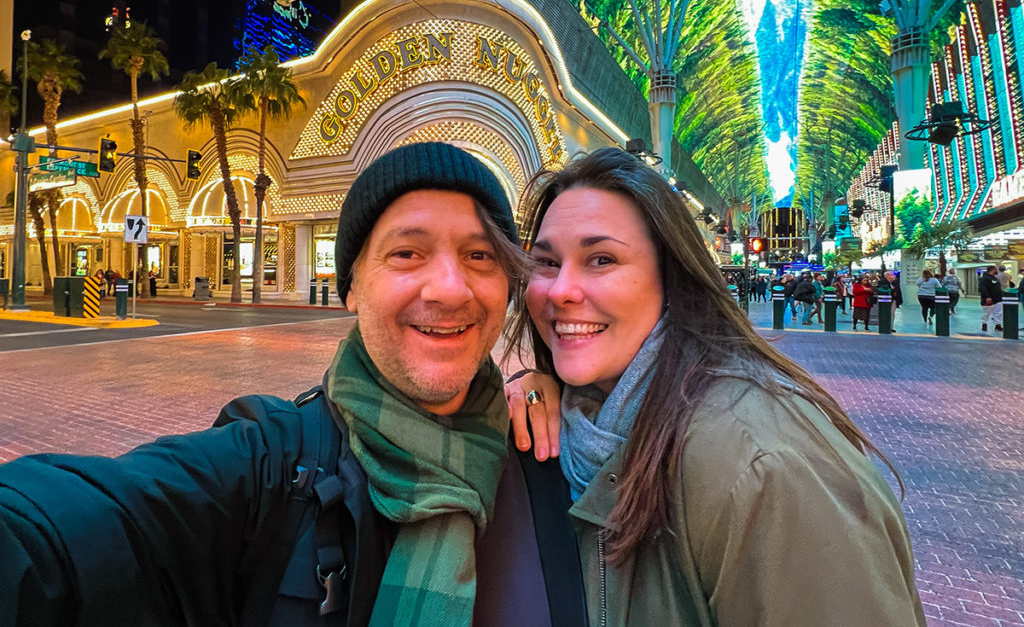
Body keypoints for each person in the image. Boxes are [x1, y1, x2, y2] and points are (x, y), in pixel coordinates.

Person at [0, 142, 582, 626]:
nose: (450, 288)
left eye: (480, 255)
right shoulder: (270, 464)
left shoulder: (552, 453)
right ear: (350, 288)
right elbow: (75, 527)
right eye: (407, 253)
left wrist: (550, 387)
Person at [504, 148, 924, 625]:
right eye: (546, 262)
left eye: (601, 259)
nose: (561, 290)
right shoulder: (586, 424)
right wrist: (531, 389)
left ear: (672, 278)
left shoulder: (765, 468)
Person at [979, 265, 1003, 332]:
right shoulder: (984, 278)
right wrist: (987, 296)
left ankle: (998, 325)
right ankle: (984, 324)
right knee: (987, 313)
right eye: (996, 269)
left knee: (998, 313)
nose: (997, 271)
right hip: (989, 299)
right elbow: (982, 288)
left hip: (998, 299)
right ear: (992, 270)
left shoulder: (994, 278)